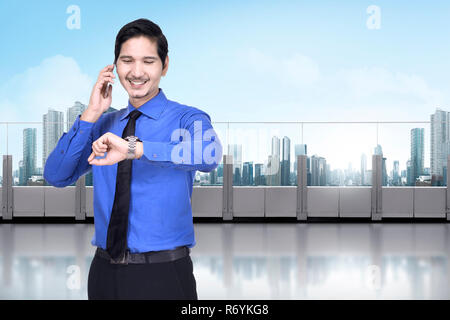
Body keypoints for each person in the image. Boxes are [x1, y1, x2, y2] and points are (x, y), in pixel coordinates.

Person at [43, 18, 222, 300]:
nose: (137, 72)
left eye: (148, 61)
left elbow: (209, 154)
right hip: (104, 272)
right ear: (115, 66)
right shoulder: (103, 124)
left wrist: (136, 149)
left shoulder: (188, 118)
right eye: (127, 61)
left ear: (165, 65)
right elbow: (56, 175)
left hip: (164, 274)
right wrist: (91, 113)